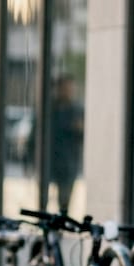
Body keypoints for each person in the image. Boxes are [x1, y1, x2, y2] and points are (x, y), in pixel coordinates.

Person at [47, 75, 84, 215]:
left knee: (64, 200)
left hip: (68, 163)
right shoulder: (51, 109)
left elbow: (82, 134)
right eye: (65, 88)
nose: (68, 91)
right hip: (51, 160)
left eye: (70, 88)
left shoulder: (76, 110)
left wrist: (79, 128)